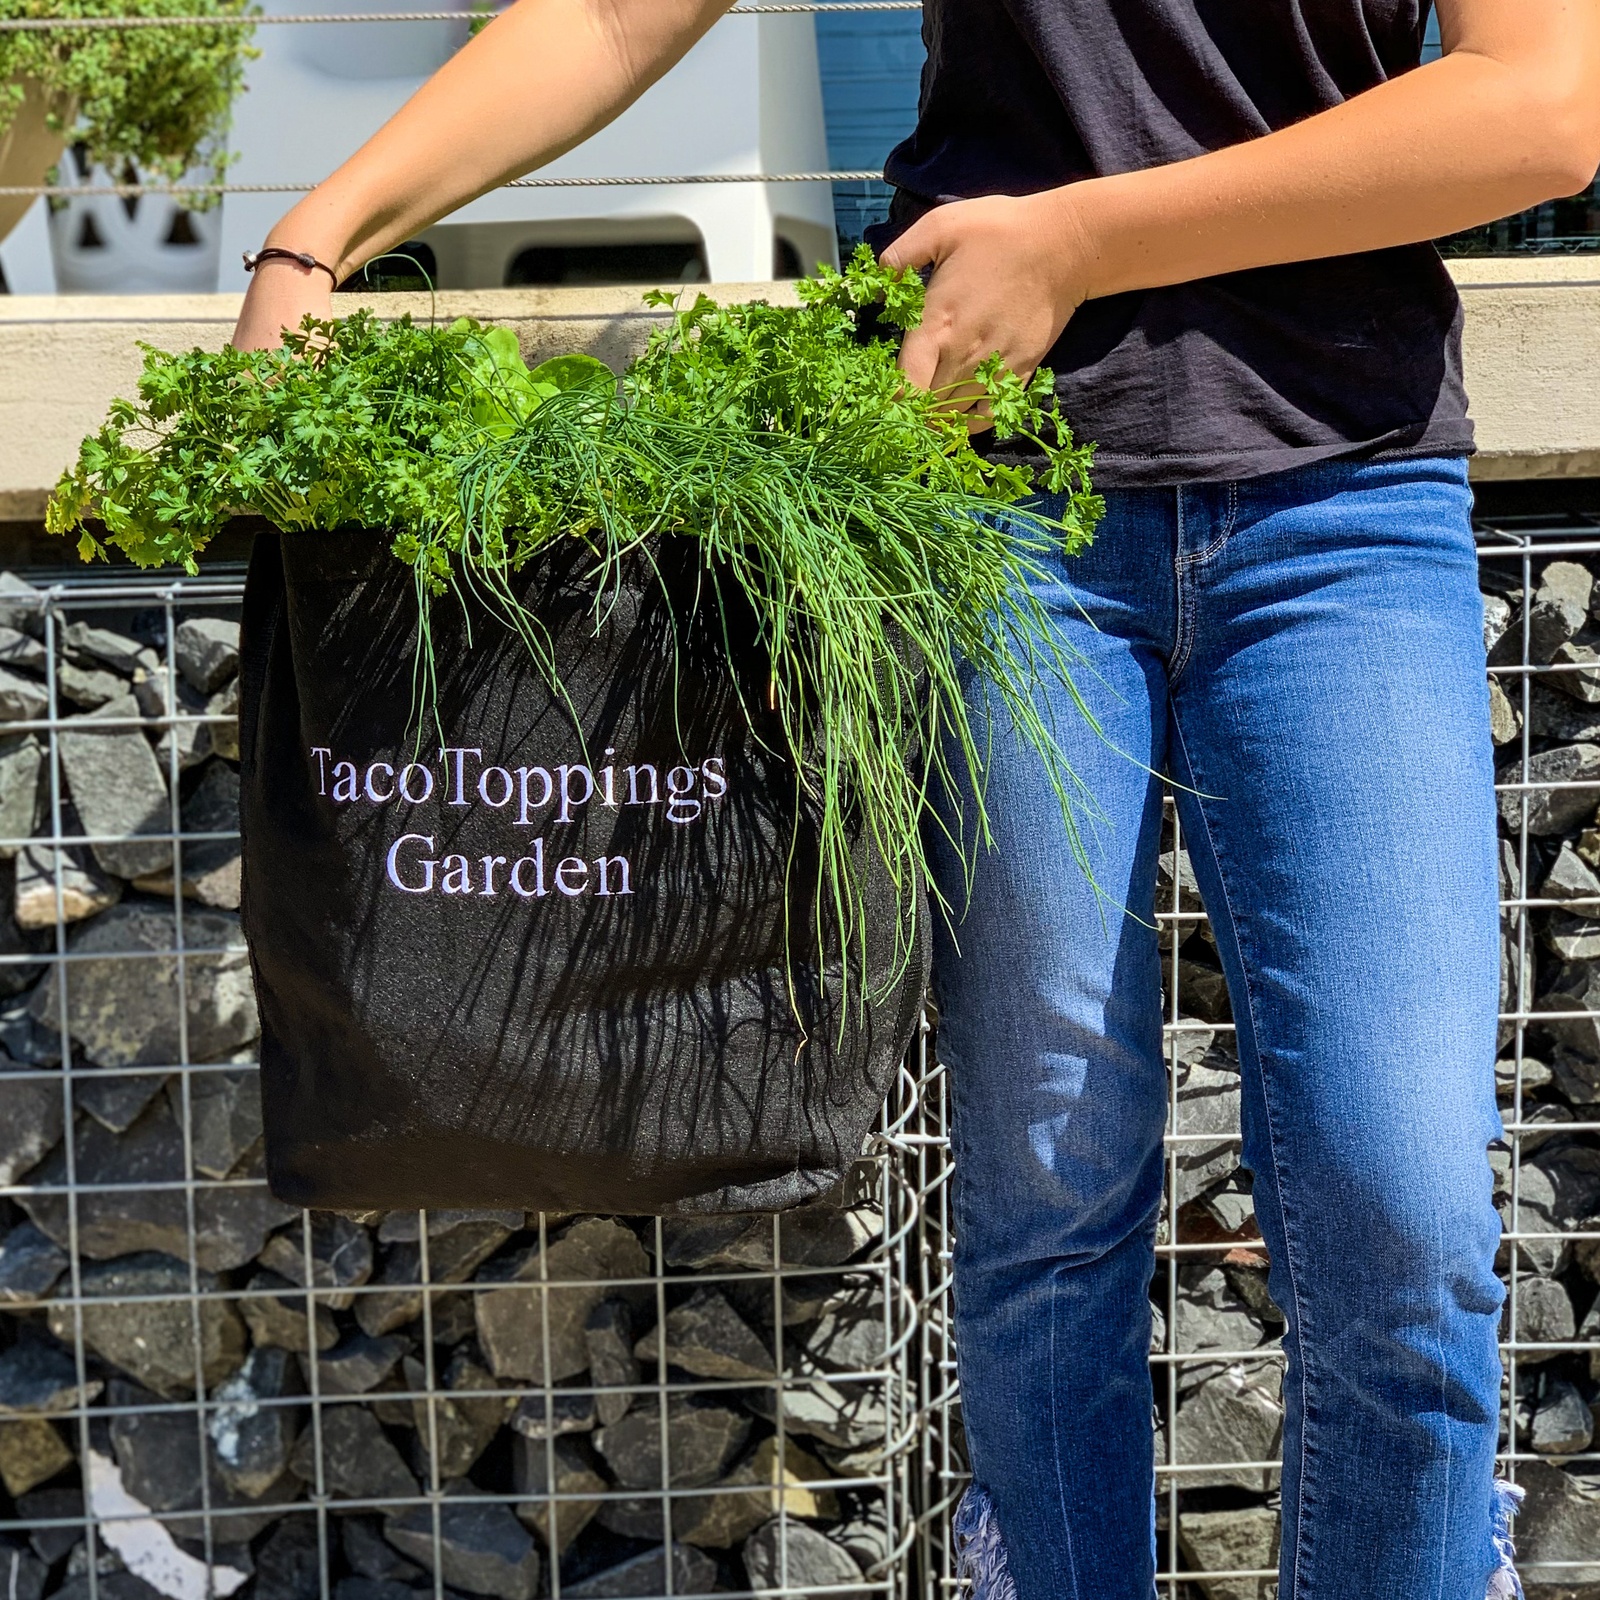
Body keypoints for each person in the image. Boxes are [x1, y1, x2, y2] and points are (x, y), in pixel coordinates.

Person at [233, 2, 1600, 1595]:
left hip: (1347, 502)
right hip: (989, 502)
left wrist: (1081, 239)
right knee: (1049, 1183)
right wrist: (320, 234)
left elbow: (1541, 107)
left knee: (1404, 1206)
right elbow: (612, 17)